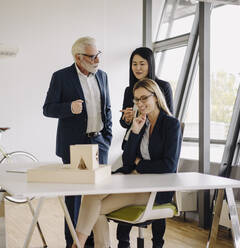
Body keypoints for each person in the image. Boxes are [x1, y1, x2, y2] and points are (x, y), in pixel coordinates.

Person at [72, 78, 181, 248]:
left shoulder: (171, 124)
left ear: (156, 97)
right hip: (132, 180)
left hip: (153, 188)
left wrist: (139, 164)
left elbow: (169, 165)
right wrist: (135, 132)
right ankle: (79, 245)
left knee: (96, 209)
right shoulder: (141, 123)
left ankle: (77, 245)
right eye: (137, 99)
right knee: (92, 197)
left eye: (144, 98)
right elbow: (128, 160)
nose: (140, 103)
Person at [43, 36, 112, 248]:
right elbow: (47, 109)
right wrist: (68, 108)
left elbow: (107, 108)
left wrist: (107, 137)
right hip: (74, 145)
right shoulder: (61, 77)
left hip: (98, 142)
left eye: (98, 54)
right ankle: (72, 242)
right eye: (92, 56)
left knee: (97, 195)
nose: (96, 60)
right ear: (78, 58)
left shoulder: (103, 76)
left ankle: (93, 241)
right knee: (73, 197)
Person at [118, 47, 174, 248]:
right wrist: (127, 120)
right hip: (136, 140)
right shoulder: (129, 89)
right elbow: (125, 123)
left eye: (142, 63)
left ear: (150, 64)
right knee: (124, 177)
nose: (138, 67)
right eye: (134, 64)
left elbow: (168, 118)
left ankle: (157, 242)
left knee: (155, 188)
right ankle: (122, 241)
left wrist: (139, 163)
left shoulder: (163, 86)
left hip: (156, 147)